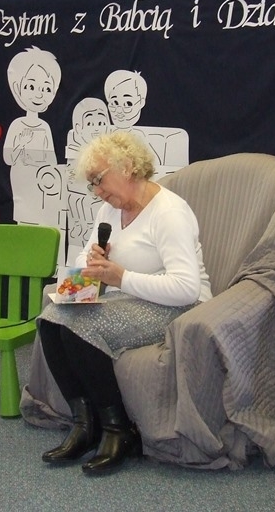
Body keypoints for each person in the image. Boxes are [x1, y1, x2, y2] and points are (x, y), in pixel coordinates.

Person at [37, 131, 212, 475]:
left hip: (179, 308)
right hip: (129, 299)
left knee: (80, 325)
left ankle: (119, 431)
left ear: (128, 167)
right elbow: (86, 259)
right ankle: (85, 425)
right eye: (92, 184)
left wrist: (121, 278)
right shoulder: (109, 209)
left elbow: (187, 288)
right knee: (50, 319)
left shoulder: (169, 212)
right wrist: (92, 262)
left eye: (99, 180)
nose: (97, 191)